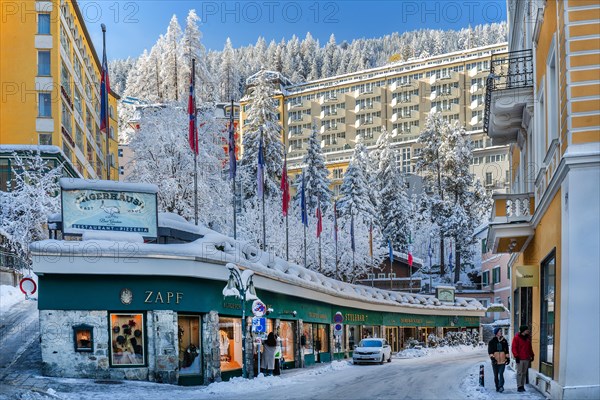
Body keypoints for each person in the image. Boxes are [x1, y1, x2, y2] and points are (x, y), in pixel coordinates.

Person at [512, 325, 535, 392]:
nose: (528, 331)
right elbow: (514, 348)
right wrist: (516, 356)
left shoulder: (527, 338)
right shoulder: (516, 338)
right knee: (519, 372)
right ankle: (519, 386)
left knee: (524, 373)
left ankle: (522, 385)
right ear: (523, 331)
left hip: (526, 358)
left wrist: (532, 355)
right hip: (520, 358)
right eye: (527, 330)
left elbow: (530, 348)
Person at [488, 327, 510, 392]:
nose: (501, 332)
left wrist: (507, 358)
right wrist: (492, 359)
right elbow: (490, 351)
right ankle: (497, 386)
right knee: (496, 375)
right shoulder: (492, 341)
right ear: (496, 333)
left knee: (501, 374)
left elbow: (506, 351)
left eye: (500, 331)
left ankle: (501, 386)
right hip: (495, 361)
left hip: (502, 361)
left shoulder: (504, 341)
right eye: (499, 331)